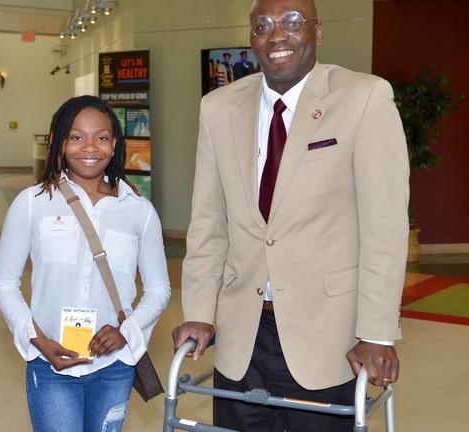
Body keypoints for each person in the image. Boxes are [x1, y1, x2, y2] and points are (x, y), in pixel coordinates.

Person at [172, 0, 409, 430]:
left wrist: (376, 333)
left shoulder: (364, 98)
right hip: (240, 336)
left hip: (328, 337)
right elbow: (208, 224)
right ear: (251, 39)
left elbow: (385, 229)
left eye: (292, 23)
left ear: (317, 33)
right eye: (262, 26)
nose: (277, 35)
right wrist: (199, 311)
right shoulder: (218, 108)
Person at [0, 95, 170, 432]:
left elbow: (159, 290)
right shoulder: (32, 204)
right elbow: (4, 283)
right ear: (59, 143)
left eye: (101, 138)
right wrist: (36, 338)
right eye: (76, 137)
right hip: (49, 363)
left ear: (115, 145)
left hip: (115, 365)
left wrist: (125, 332)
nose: (90, 147)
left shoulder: (138, 210)